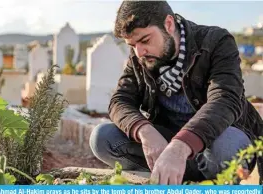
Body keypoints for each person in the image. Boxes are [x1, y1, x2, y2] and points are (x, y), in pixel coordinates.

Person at [89, 0, 263, 185]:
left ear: (169, 24)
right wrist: (145, 131)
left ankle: (199, 180)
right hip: (165, 146)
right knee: (102, 138)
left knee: (228, 145)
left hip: (211, 147)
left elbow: (225, 99)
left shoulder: (216, 41)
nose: (139, 52)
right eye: (132, 45)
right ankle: (167, 174)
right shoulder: (140, 57)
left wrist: (181, 145)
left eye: (145, 40)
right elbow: (119, 101)